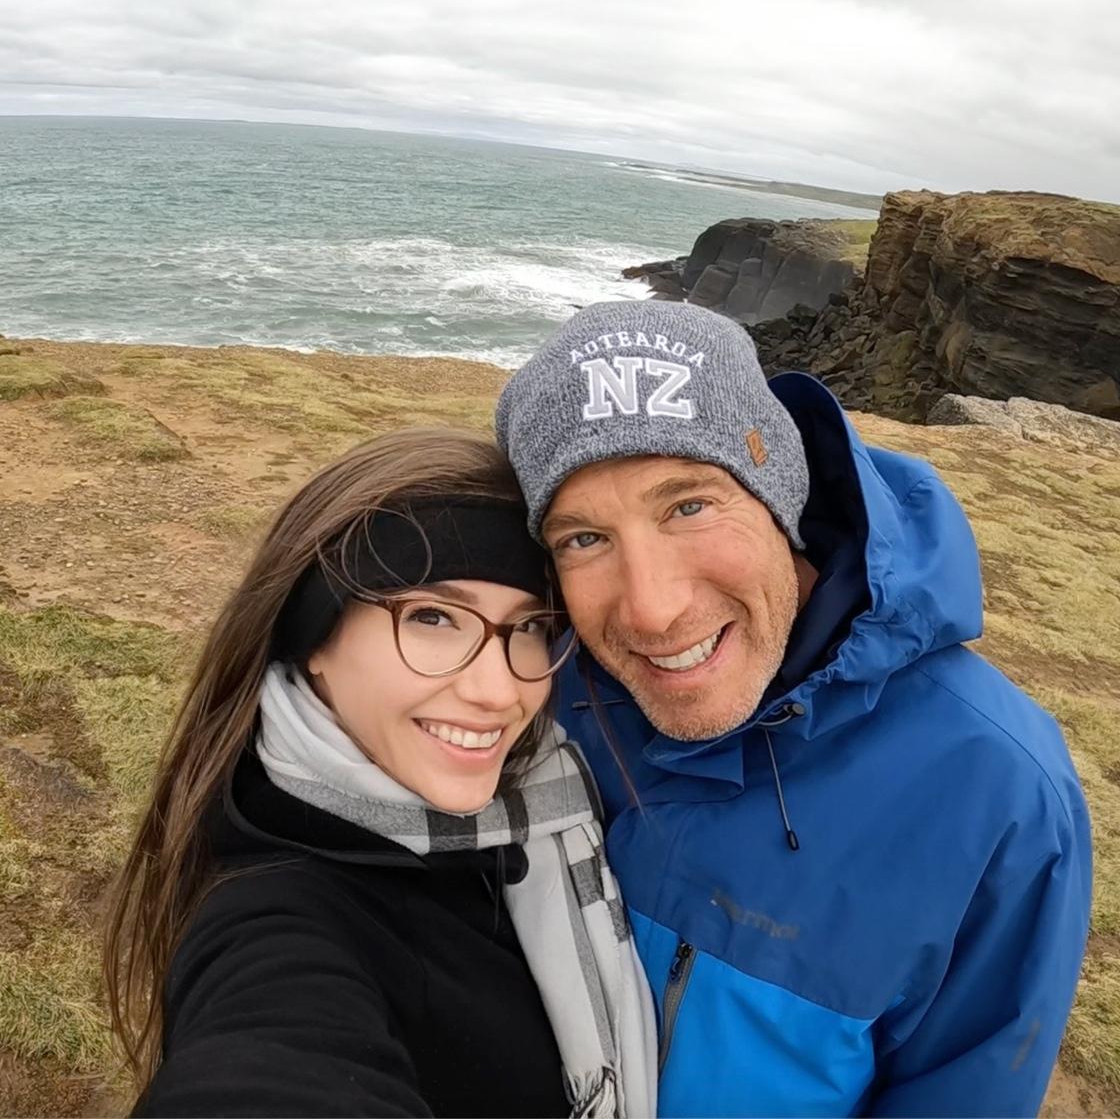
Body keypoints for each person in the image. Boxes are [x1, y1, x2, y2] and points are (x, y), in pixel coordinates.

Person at [495, 300, 1092, 1118]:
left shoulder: (998, 794)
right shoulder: (525, 689)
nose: (652, 611)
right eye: (583, 539)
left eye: (689, 505)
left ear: (780, 494)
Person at [103, 428, 657, 1119]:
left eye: (528, 626)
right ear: (314, 642)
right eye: (432, 617)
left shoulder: (550, 805)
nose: (497, 688)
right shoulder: (278, 915)